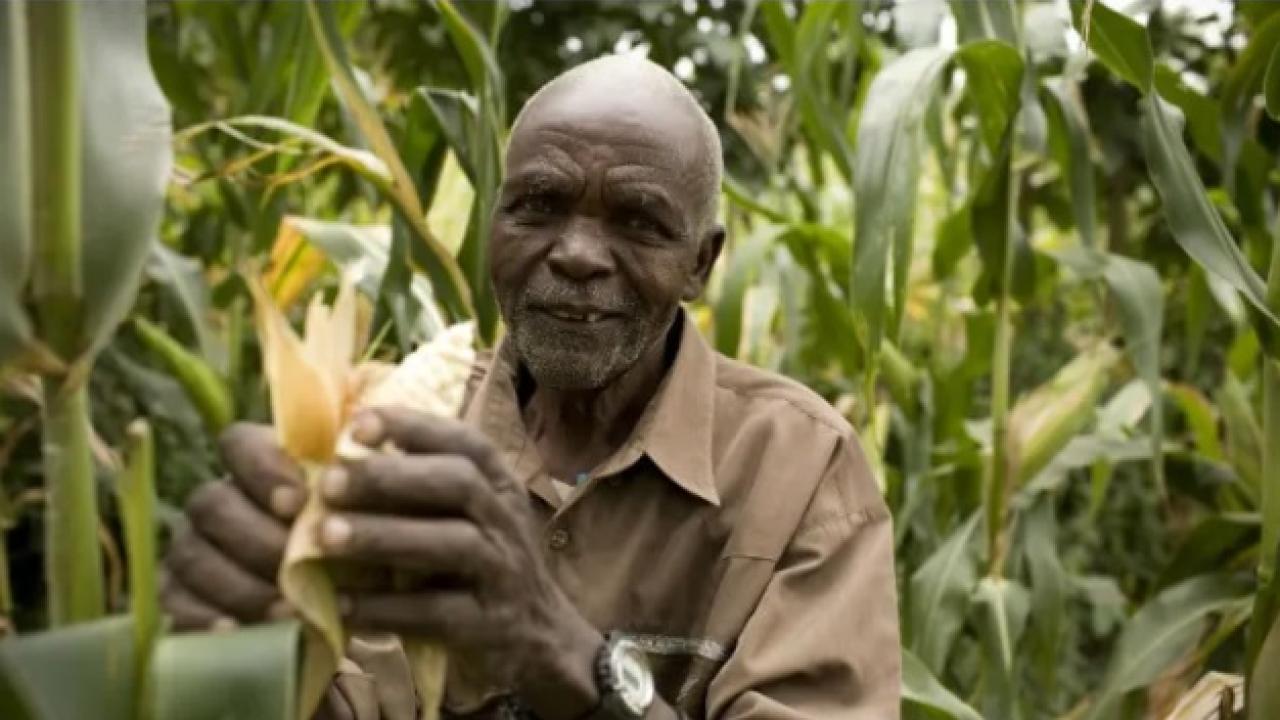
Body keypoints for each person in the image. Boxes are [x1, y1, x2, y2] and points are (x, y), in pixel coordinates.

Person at [162, 55, 900, 719]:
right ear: (494, 225)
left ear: (700, 264)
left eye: (639, 221)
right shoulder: (394, 431)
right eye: (539, 206)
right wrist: (255, 654)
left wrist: (566, 657)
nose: (577, 254)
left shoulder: (803, 471)